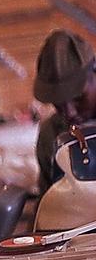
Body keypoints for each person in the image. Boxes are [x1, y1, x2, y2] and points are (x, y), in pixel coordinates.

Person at [33, 29, 96, 196]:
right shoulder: (50, 134)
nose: (69, 113)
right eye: (58, 103)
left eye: (78, 98)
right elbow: (48, 200)